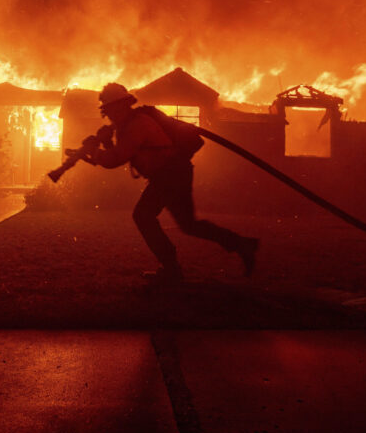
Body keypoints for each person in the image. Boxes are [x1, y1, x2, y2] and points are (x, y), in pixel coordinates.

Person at [81, 83, 259, 285]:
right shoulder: (129, 124)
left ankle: (171, 269)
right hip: (175, 173)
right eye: (107, 111)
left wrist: (93, 151)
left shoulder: (137, 125)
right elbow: (120, 154)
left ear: (121, 106)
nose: (109, 115)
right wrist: (105, 143)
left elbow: (115, 159)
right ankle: (242, 244)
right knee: (188, 225)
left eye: (110, 109)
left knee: (143, 216)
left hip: (169, 175)